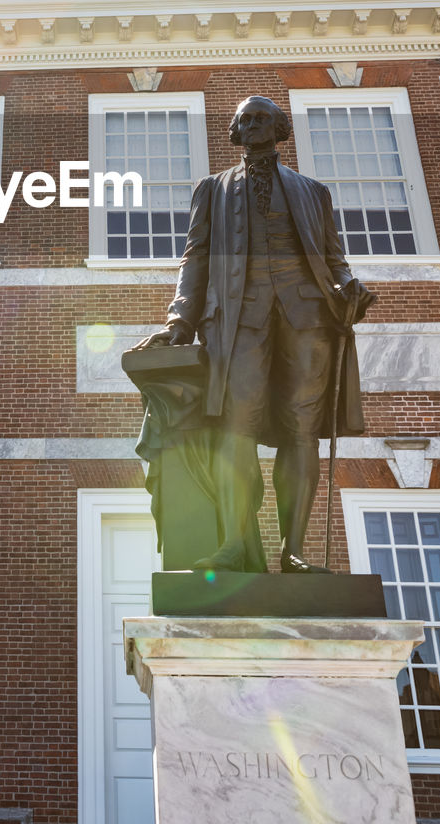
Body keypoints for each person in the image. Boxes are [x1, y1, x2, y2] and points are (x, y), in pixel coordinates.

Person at [138, 95, 373, 574]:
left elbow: (333, 257)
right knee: (234, 426)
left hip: (307, 316)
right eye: (243, 119)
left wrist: (347, 284)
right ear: (235, 131)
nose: (251, 125)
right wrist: (178, 321)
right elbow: (195, 259)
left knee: (301, 432)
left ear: (279, 127)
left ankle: (293, 549)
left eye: (261, 117)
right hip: (237, 318)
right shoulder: (213, 190)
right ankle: (235, 544)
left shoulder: (313, 191)